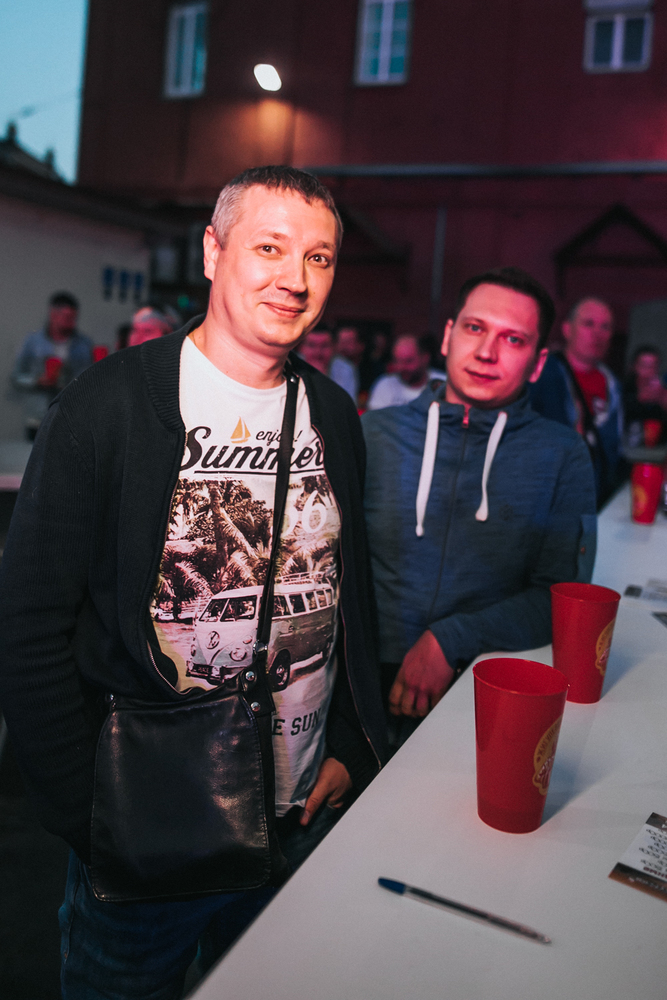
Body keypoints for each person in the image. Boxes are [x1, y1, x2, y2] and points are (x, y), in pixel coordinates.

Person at [0, 166, 386, 1000]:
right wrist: (85, 811)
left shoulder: (333, 413)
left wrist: (352, 747)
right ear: (212, 252)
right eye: (269, 248)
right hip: (147, 834)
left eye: (318, 257)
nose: (294, 278)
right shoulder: (107, 407)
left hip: (295, 821)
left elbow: (349, 595)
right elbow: (27, 622)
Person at [362, 267, 596, 727]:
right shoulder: (374, 434)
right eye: (475, 328)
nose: (487, 352)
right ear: (448, 336)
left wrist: (451, 638)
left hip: (482, 694)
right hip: (358, 692)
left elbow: (560, 598)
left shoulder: (562, 455)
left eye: (513, 339)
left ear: (538, 364)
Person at [529, 297, 622, 508]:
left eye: (605, 327)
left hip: (598, 501)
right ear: (567, 329)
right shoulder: (541, 376)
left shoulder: (613, 384)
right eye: (588, 324)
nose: (597, 333)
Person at [11, 291, 94, 439]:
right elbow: (16, 377)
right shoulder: (33, 342)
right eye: (67, 317)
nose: (71, 322)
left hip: (71, 416)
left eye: (73, 318)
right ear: (53, 314)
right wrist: (36, 381)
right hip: (38, 418)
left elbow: (89, 377)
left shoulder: (84, 344)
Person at [367, 333, 442, 410]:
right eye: (397, 361)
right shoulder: (384, 385)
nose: (401, 367)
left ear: (425, 358)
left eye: (408, 361)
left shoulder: (443, 384)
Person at [623, 345, 667, 446]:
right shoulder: (621, 391)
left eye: (654, 366)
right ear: (634, 367)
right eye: (644, 366)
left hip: (655, 452)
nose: (649, 371)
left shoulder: (661, 395)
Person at [329, 324, 365, 402]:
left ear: (361, 345)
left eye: (348, 342)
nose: (343, 346)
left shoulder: (371, 369)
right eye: (340, 342)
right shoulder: (332, 365)